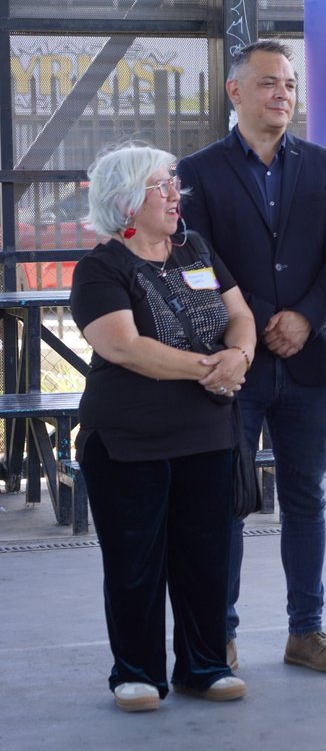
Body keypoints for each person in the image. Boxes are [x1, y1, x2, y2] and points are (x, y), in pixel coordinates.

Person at [177, 39, 326, 673]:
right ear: (235, 92)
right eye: (268, 83)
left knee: (306, 497)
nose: (283, 94)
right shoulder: (198, 172)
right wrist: (255, 323)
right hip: (235, 363)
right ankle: (219, 637)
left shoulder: (325, 167)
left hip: (308, 361)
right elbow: (196, 260)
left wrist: (306, 317)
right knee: (227, 500)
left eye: (290, 84)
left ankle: (306, 633)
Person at [71, 144, 256, 711]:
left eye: (175, 181)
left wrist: (240, 356)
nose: (177, 194)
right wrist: (213, 369)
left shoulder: (195, 248)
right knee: (135, 564)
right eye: (162, 185)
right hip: (130, 441)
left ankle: (204, 667)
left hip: (208, 435)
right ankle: (137, 673)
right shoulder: (101, 268)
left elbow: (240, 314)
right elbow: (124, 347)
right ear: (127, 200)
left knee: (205, 559)